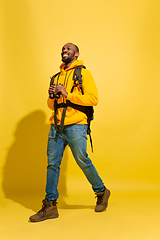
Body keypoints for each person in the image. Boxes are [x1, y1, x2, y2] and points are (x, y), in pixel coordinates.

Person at [29, 43, 110, 222]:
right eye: (63, 49)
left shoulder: (83, 74)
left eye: (68, 49)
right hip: (56, 126)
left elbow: (93, 99)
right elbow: (52, 105)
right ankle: (50, 205)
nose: (65, 51)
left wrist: (67, 94)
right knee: (52, 164)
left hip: (76, 125)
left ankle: (102, 191)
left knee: (82, 160)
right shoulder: (56, 77)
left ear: (76, 54)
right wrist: (52, 97)